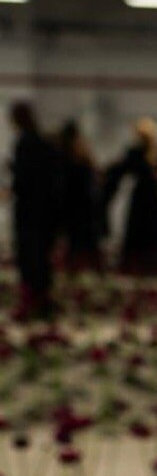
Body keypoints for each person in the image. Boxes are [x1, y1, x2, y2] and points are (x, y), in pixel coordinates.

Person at [6, 101, 60, 320]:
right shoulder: (44, 142)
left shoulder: (24, 143)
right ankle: (43, 302)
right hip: (46, 211)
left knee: (29, 258)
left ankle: (31, 303)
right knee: (41, 259)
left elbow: (23, 180)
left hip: (29, 211)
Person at [105, 117, 157, 274]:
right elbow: (121, 169)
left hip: (154, 198)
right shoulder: (134, 153)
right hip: (139, 198)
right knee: (135, 233)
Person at [56, 120, 105, 273]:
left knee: (75, 241)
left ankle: (75, 269)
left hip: (73, 204)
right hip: (82, 205)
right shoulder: (80, 155)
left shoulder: (64, 155)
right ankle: (91, 269)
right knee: (85, 241)